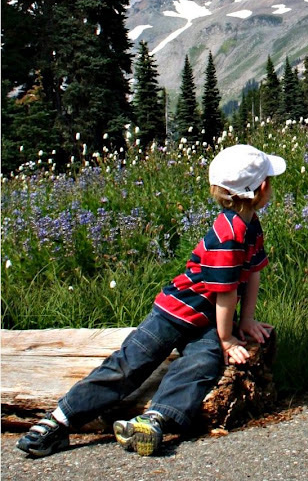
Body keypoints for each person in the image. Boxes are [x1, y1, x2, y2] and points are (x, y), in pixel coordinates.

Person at [16, 144, 286, 458]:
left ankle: (154, 419)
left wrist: (246, 321)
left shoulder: (250, 226)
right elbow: (225, 292)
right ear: (262, 188)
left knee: (204, 363)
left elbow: (252, 272)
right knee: (128, 365)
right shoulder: (228, 233)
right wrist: (227, 338)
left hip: (207, 319)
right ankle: (58, 421)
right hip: (173, 313)